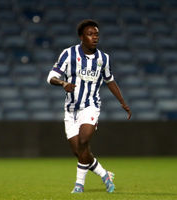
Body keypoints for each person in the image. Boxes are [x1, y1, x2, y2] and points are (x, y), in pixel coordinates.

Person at [47, 19, 131, 193]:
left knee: (84, 141)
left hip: (91, 106)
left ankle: (79, 185)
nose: (95, 37)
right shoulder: (68, 54)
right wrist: (63, 83)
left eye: (96, 34)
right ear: (81, 37)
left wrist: (122, 102)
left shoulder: (103, 58)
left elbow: (110, 80)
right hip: (70, 109)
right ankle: (104, 174)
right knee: (80, 152)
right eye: (90, 34)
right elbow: (51, 77)